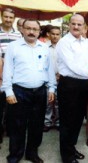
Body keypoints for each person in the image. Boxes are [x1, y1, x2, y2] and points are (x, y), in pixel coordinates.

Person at [2, 19, 56, 163]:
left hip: (39, 92)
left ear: (39, 31)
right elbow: (7, 70)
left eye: (35, 29)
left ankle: (32, 153)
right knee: (17, 125)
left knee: (37, 125)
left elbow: (49, 69)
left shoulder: (44, 48)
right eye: (28, 28)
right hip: (19, 92)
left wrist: (52, 87)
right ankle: (15, 155)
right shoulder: (13, 47)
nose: (32, 32)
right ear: (22, 30)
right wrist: (8, 91)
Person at [56, 14, 88, 163]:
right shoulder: (64, 42)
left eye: (79, 24)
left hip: (83, 84)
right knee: (67, 121)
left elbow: (84, 61)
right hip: (69, 85)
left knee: (77, 120)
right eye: (74, 24)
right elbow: (72, 65)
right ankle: (67, 156)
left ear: (84, 26)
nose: (76, 27)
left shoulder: (85, 42)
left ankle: (71, 148)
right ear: (69, 25)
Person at [0, 8, 21, 145]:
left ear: (14, 19)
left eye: (11, 17)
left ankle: (9, 130)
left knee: (12, 107)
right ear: (1, 16)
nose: (8, 20)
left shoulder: (19, 35)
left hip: (13, 76)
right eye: (6, 17)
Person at [43, 26, 61, 132]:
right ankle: (47, 122)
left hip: (60, 77)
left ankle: (58, 122)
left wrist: (61, 74)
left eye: (57, 34)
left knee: (59, 102)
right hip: (48, 78)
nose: (55, 36)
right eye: (53, 34)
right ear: (49, 34)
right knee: (48, 101)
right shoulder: (44, 47)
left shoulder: (63, 47)